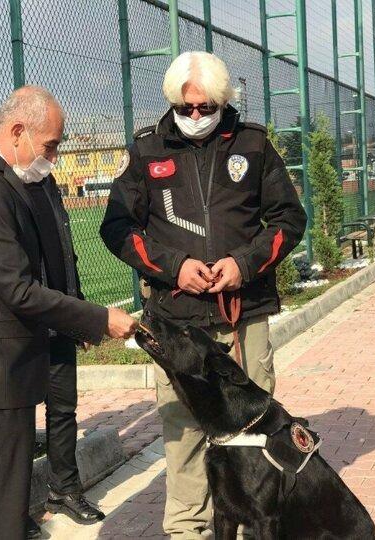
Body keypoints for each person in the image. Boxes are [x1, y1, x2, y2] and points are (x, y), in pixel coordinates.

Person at [100, 51, 308, 538]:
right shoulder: (146, 150)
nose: (195, 116)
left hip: (244, 312)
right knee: (185, 430)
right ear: (172, 102)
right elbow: (118, 227)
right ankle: (187, 529)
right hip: (177, 319)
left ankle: (258, 522)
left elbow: (288, 219)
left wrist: (243, 264)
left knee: (253, 425)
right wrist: (174, 268)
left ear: (222, 101)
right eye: (185, 107)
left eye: (205, 107)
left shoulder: (253, 144)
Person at [0, 85, 138, 540]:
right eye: (50, 146)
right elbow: (18, 289)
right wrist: (98, 318)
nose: (53, 158)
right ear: (18, 131)